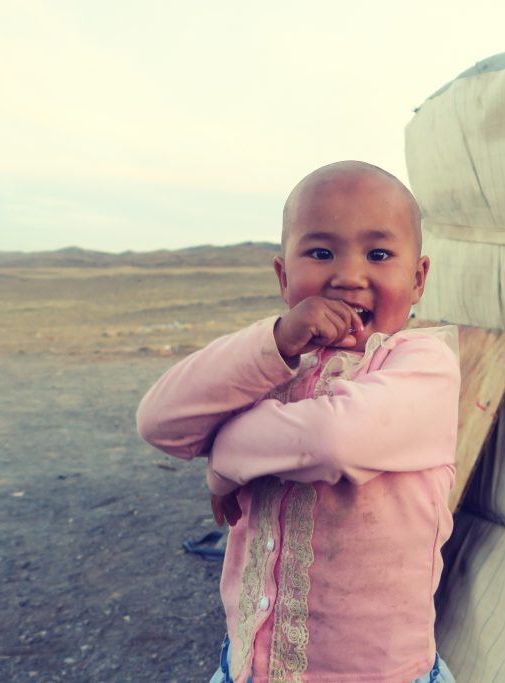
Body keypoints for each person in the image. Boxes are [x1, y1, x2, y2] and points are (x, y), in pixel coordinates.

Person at [137, 160, 459, 683]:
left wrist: (223, 462)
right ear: (284, 275)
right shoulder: (268, 364)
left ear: (418, 278)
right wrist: (276, 340)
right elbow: (159, 422)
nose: (349, 275)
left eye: (379, 254)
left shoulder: (422, 366)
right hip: (248, 669)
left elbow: (333, 439)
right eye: (321, 252)